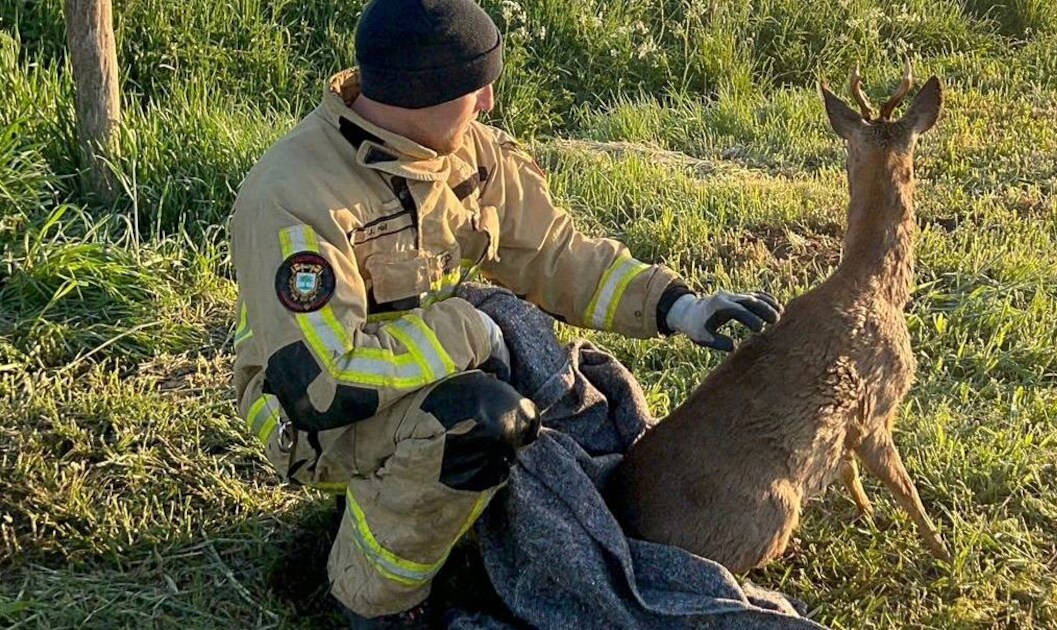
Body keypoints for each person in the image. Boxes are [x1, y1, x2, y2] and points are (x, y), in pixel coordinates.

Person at [228, 0, 782, 626]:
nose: (489, 102)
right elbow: (324, 385)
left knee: (526, 384)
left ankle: (426, 500)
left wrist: (676, 306)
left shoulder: (464, 152)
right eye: (475, 86)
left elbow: (552, 251)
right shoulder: (295, 195)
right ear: (421, 93)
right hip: (315, 417)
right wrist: (473, 330)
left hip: (413, 369)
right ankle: (372, 597)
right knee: (476, 423)